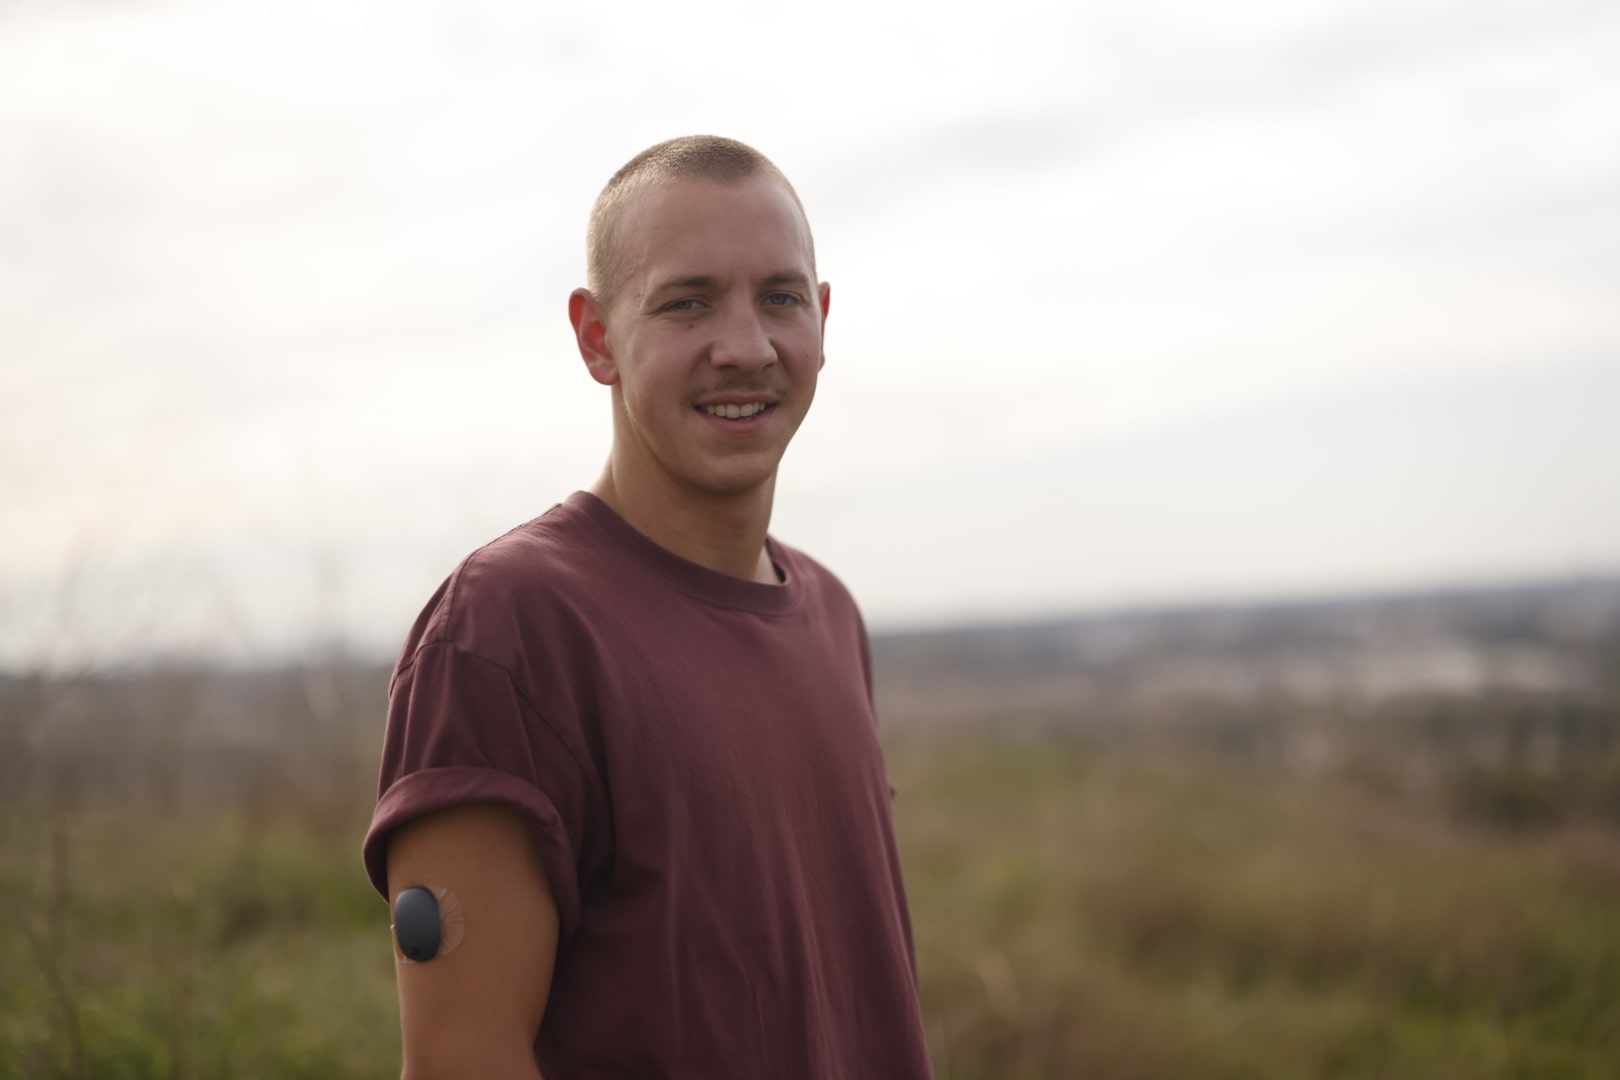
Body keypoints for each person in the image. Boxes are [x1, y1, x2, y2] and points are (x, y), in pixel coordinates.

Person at [362, 136, 934, 1079]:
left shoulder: (831, 615)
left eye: (781, 298)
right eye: (686, 302)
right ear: (597, 338)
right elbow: (462, 1060)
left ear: (822, 321)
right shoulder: (508, 631)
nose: (745, 347)